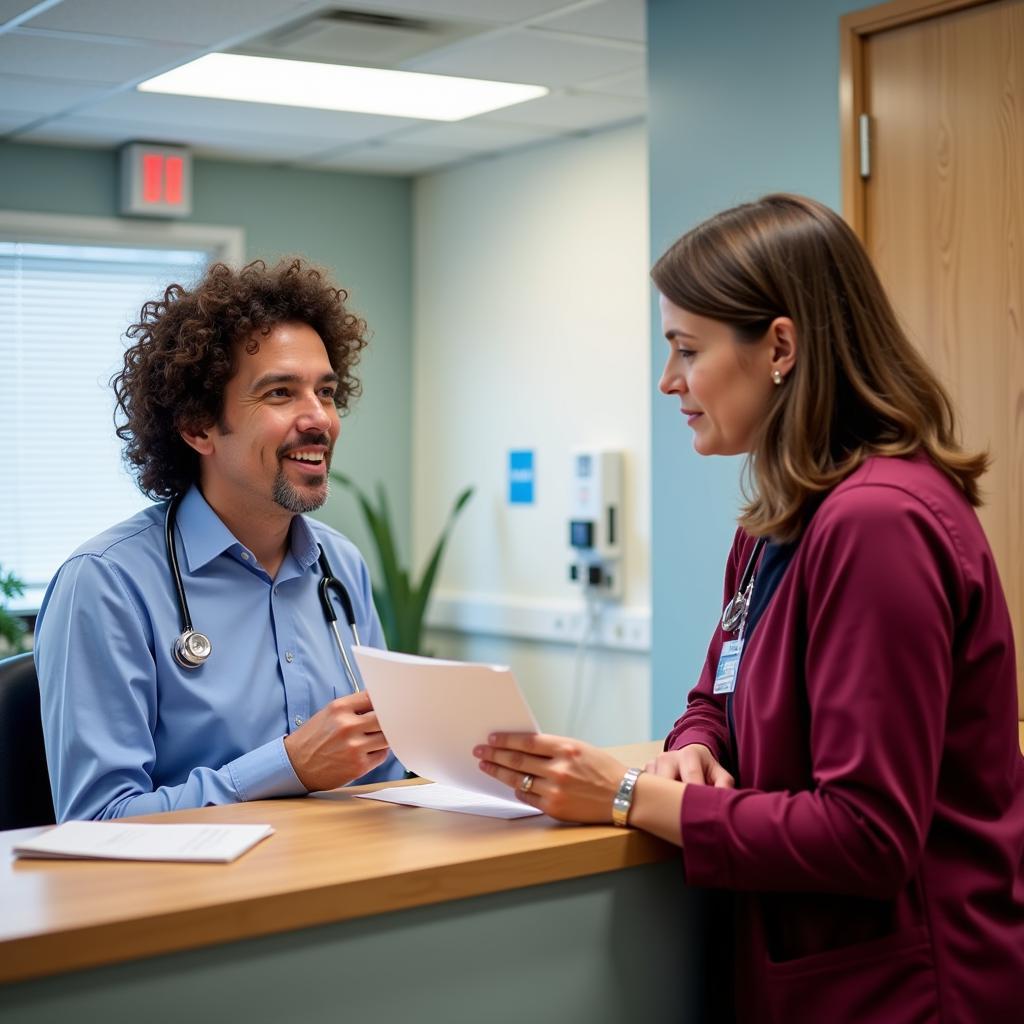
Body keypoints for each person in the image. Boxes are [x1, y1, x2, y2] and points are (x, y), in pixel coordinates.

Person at [475, 195, 1024, 1022]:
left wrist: (627, 795)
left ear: (780, 347)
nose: (669, 383)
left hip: (908, 989)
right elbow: (713, 698)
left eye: (686, 350)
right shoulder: (781, 521)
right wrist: (691, 751)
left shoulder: (879, 524)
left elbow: (867, 836)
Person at [35, 258, 403, 822]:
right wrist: (286, 766)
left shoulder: (339, 566)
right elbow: (95, 823)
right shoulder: (106, 583)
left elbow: (382, 776)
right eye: (281, 393)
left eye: (325, 392)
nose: (319, 419)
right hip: (190, 903)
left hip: (337, 884)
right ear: (198, 427)